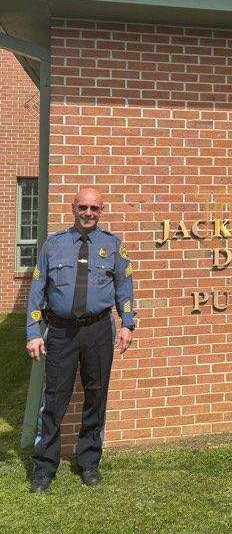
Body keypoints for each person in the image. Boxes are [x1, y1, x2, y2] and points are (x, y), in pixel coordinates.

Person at [25, 187, 136, 493]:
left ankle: (88, 462)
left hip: (98, 331)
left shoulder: (112, 245)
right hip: (61, 332)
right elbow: (36, 291)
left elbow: (124, 287)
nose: (88, 213)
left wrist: (127, 324)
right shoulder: (54, 245)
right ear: (72, 208)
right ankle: (44, 467)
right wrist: (33, 332)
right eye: (83, 207)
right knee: (54, 399)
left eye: (94, 208)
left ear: (102, 211)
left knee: (96, 396)